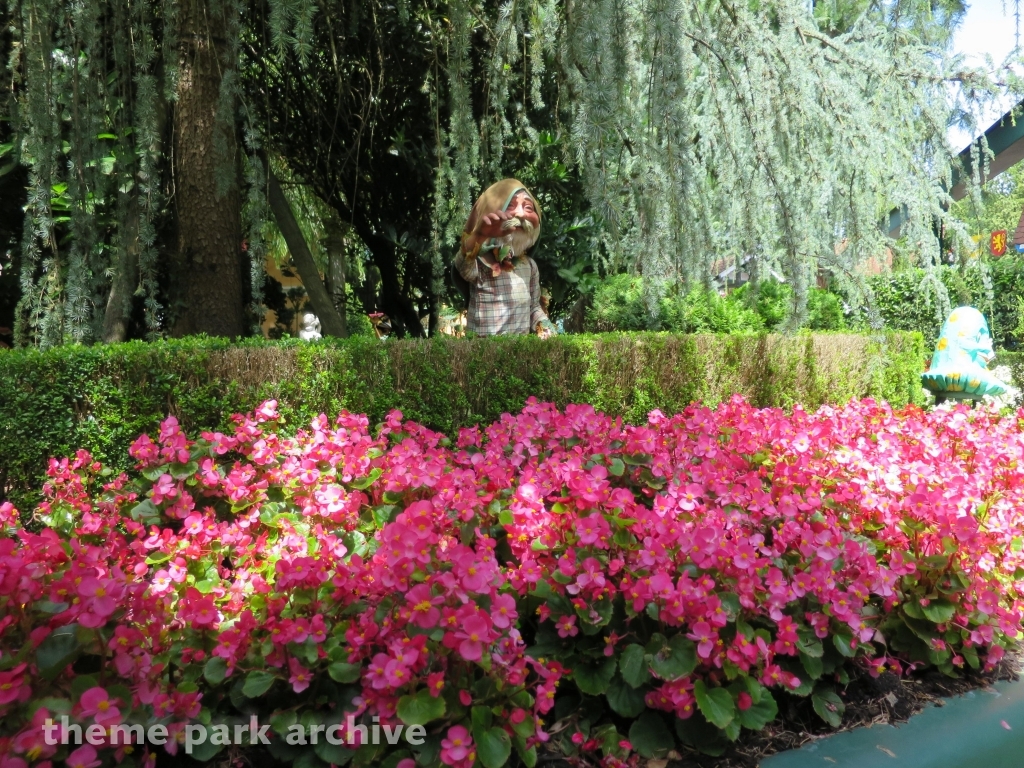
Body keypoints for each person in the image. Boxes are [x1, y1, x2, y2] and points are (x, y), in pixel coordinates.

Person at [454, 179, 557, 337]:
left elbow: (534, 308)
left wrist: (547, 328)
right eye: (510, 206)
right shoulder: (480, 262)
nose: (520, 214)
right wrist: (480, 235)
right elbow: (462, 266)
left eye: (528, 207)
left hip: (518, 354)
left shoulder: (529, 266)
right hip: (484, 355)